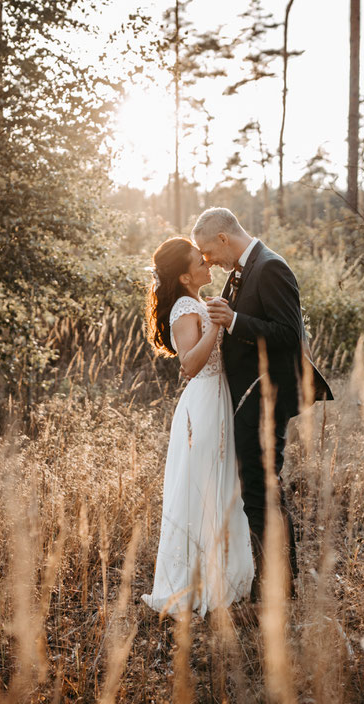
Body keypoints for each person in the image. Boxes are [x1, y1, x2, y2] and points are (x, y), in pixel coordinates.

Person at [191, 207, 333, 600]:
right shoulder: (240, 270)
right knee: (255, 486)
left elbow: (289, 334)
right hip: (245, 398)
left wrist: (235, 321)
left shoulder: (270, 267)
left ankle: (278, 583)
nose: (206, 260)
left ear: (223, 238)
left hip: (266, 395)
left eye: (207, 250)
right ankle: (271, 577)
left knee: (262, 487)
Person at [140, 237, 254, 618]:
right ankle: (196, 585)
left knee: (221, 487)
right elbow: (188, 365)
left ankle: (223, 580)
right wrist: (217, 328)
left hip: (218, 397)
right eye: (199, 261)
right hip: (203, 403)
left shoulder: (198, 302)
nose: (207, 263)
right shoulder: (186, 308)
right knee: (204, 489)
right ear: (187, 276)